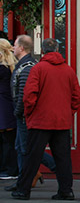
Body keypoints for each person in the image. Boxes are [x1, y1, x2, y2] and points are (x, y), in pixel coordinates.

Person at [12, 38, 80, 201]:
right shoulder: (68, 70)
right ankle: (66, 190)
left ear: (42, 50)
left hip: (40, 120)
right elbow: (76, 97)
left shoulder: (38, 69)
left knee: (31, 156)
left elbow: (29, 95)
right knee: (63, 158)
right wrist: (67, 112)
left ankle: (23, 190)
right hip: (61, 121)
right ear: (58, 50)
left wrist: (29, 113)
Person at [5, 35, 55, 194]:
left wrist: (18, 111)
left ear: (21, 48)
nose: (13, 48)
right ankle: (23, 180)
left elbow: (25, 94)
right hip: (24, 115)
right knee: (21, 147)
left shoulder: (26, 67)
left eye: (15, 45)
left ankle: (58, 168)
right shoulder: (24, 65)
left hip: (26, 115)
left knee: (28, 148)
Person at [0, 39, 18, 180]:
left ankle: (8, 169)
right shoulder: (12, 66)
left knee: (6, 139)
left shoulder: (2, 68)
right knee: (9, 139)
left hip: (3, 106)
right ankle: (11, 168)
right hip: (9, 105)